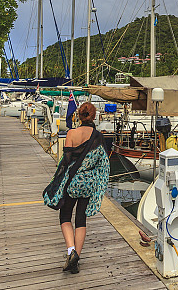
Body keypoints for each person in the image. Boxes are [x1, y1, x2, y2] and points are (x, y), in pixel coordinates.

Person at [46, 101, 109, 274]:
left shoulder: (71, 133)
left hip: (72, 182)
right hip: (88, 183)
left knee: (65, 215)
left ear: (78, 116)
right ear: (94, 116)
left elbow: (65, 162)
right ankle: (76, 258)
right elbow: (102, 164)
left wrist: (56, 182)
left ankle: (70, 251)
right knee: (81, 218)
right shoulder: (98, 137)